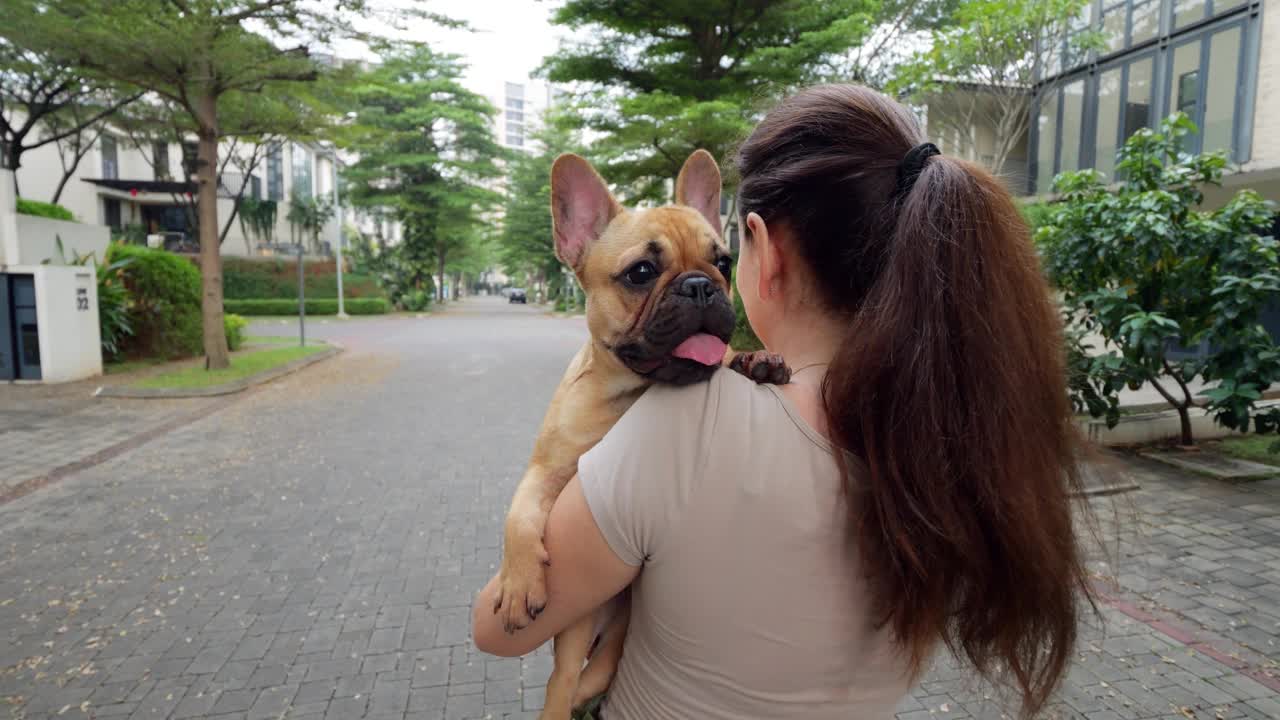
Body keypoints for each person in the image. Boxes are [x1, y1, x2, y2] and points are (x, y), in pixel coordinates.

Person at [473, 84, 1093, 719]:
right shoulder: (948, 433)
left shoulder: (676, 427)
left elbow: (499, 631)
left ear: (762, 251)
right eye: (642, 276)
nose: (695, 289)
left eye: (717, 260)